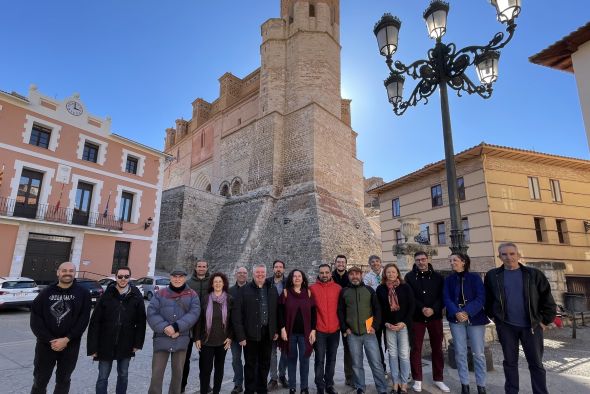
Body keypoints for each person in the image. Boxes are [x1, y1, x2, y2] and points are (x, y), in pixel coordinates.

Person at [484, 242, 556, 394]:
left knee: (536, 364)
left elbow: (547, 299)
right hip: (506, 327)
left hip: (532, 326)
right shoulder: (493, 275)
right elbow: (488, 300)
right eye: (504, 254)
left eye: (512, 253)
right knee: (510, 363)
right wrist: (495, 318)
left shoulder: (534, 274)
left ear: (518, 255)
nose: (508, 257)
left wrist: (544, 321)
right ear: (499, 256)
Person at [30, 261, 92, 394]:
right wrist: (50, 340)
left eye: (71, 271)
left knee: (64, 380)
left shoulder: (84, 293)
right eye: (64, 270)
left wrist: (67, 339)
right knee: (40, 380)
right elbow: (36, 319)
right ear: (58, 272)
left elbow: (83, 320)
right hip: (45, 346)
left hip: (70, 345)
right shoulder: (45, 293)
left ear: (74, 273)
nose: (67, 273)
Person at [87, 266, 146, 394]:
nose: (123, 279)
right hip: (105, 342)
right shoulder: (106, 295)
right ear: (115, 277)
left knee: (123, 375)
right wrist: (92, 347)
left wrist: (137, 343)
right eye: (120, 276)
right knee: (102, 377)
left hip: (126, 342)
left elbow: (141, 322)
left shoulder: (136, 296)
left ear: (129, 278)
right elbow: (95, 322)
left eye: (126, 276)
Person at [147, 266, 200, 394]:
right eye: (175, 277)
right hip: (162, 338)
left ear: (184, 278)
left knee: (178, 374)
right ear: (170, 277)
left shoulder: (192, 295)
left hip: (181, 338)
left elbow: (194, 313)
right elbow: (151, 312)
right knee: (157, 374)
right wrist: (165, 327)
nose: (177, 279)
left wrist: (176, 327)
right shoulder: (160, 293)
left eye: (180, 276)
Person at [338, 266, 388, 394]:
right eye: (352, 274)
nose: (354, 276)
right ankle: (360, 387)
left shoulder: (369, 290)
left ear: (361, 275)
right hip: (352, 334)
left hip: (369, 333)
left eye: (357, 274)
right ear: (349, 276)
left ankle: (382, 388)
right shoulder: (344, 291)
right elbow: (341, 312)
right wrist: (345, 328)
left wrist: (375, 326)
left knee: (376, 363)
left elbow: (377, 309)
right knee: (356, 363)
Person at [443, 254, 489, 394]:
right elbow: (446, 297)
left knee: (478, 353)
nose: (452, 263)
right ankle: (465, 385)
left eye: (455, 260)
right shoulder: (449, 279)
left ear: (463, 262)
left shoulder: (474, 278)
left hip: (475, 318)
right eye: (450, 260)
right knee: (460, 353)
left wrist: (467, 312)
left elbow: (481, 297)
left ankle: (481, 385)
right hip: (456, 319)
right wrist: (456, 312)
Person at [405, 252, 450, 393]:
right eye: (418, 260)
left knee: (437, 348)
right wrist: (422, 308)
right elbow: (410, 296)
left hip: (435, 318)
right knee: (416, 349)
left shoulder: (438, 277)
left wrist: (434, 309)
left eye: (423, 259)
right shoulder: (409, 277)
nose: (421, 262)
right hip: (417, 318)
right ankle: (417, 379)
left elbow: (442, 296)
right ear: (415, 261)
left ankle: (439, 378)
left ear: (428, 260)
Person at [233, 263, 279, 394]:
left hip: (267, 334)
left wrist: (275, 330)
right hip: (250, 335)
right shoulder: (244, 290)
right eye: (257, 273)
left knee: (265, 364)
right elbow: (237, 316)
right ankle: (250, 390)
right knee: (250, 365)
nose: (260, 275)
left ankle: (261, 389)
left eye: (262, 273)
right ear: (253, 274)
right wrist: (241, 336)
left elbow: (276, 311)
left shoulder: (272, 289)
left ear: (266, 274)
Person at [376, 263, 414, 394]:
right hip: (389, 326)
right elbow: (379, 309)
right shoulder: (380, 289)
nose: (391, 274)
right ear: (384, 274)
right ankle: (395, 382)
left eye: (393, 272)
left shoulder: (405, 287)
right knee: (392, 355)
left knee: (403, 355)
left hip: (403, 326)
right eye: (388, 272)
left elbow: (411, 306)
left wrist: (404, 322)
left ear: (397, 273)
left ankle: (404, 383)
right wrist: (385, 323)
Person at [194, 273, 234, 394]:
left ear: (224, 284)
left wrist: (230, 337)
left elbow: (233, 321)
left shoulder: (229, 299)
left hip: (223, 341)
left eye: (220, 282)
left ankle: (216, 391)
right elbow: (199, 320)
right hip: (206, 341)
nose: (217, 284)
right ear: (212, 284)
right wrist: (197, 338)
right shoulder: (205, 298)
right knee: (205, 370)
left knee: (219, 369)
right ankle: (204, 391)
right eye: (215, 282)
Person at [279, 269, 316, 394]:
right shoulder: (285, 293)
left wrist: (313, 330)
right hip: (290, 334)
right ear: (291, 278)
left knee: (305, 360)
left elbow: (313, 313)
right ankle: (292, 387)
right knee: (291, 360)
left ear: (303, 278)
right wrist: (282, 328)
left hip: (305, 334)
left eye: (299, 276)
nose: (297, 278)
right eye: (294, 276)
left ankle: (304, 387)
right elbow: (280, 313)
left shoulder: (309, 293)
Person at [310, 264, 341, 394]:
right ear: (319, 273)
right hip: (320, 330)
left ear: (330, 273)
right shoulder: (312, 289)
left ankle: (329, 384)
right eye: (322, 273)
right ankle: (320, 385)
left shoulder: (338, 288)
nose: (324, 275)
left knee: (332, 359)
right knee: (319, 359)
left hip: (335, 329)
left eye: (327, 272)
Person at [182, 259, 210, 393]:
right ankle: (181, 385)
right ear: (195, 267)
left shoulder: (211, 283)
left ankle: (205, 386)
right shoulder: (188, 284)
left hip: (205, 327)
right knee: (184, 359)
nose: (201, 268)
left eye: (204, 266)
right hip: (189, 326)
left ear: (207, 268)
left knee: (205, 361)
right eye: (199, 266)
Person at [331, 255, 353, 387]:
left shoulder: (350, 277)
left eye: (343, 262)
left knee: (348, 349)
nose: (340, 264)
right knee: (332, 350)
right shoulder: (329, 276)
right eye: (338, 262)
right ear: (335, 263)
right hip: (332, 317)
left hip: (347, 318)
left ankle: (349, 377)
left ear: (346, 264)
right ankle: (329, 378)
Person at [266, 260, 288, 391]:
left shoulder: (288, 283)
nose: (278, 269)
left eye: (280, 267)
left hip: (285, 322)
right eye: (276, 267)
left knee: (285, 351)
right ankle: (273, 378)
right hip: (271, 322)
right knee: (272, 352)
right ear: (273, 269)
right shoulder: (267, 283)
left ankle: (282, 375)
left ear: (284, 269)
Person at [363, 255, 386, 374]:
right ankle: (382, 369)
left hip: (387, 313)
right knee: (375, 344)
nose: (375, 263)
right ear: (369, 264)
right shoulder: (367, 277)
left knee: (391, 344)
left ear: (380, 262)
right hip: (373, 314)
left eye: (377, 261)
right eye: (372, 262)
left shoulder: (387, 274)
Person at [229, 266, 249, 394]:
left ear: (247, 275)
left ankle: (250, 384)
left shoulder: (253, 289)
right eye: (239, 273)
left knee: (250, 361)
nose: (242, 275)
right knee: (236, 359)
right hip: (234, 333)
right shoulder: (230, 291)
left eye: (244, 273)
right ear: (236, 275)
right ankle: (238, 384)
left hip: (249, 333)